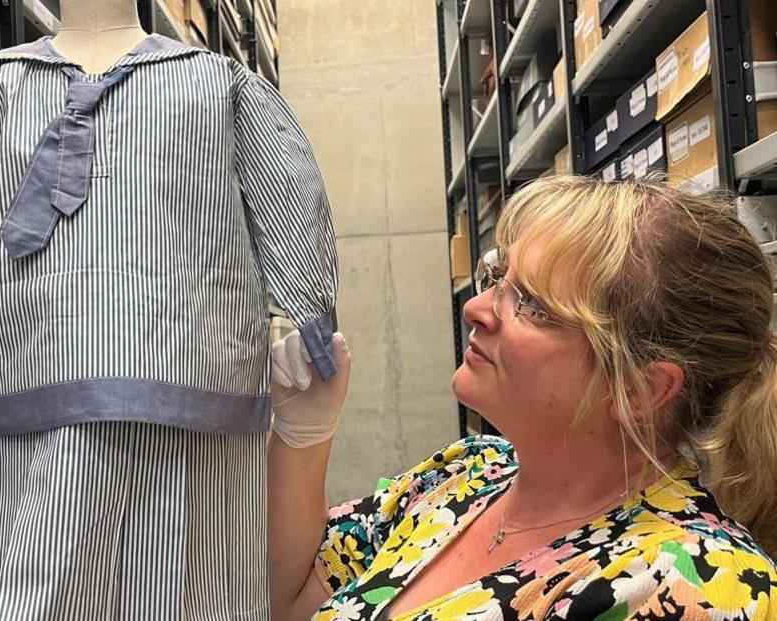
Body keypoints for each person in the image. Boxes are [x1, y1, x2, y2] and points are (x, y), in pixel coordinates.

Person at [267, 176, 777, 621]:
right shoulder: (465, 477)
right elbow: (289, 602)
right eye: (499, 279)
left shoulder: (700, 585)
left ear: (639, 388)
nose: (476, 307)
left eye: (533, 307)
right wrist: (303, 435)